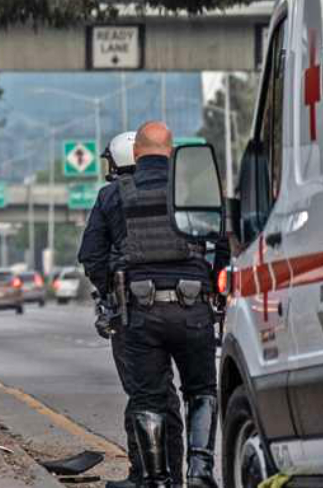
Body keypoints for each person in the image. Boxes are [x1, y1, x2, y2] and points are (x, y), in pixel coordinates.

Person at [77, 122, 218, 488]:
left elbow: (91, 256)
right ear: (171, 151)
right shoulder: (193, 190)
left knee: (148, 399)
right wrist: (213, 289)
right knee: (200, 391)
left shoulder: (112, 195)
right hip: (194, 310)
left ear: (136, 153)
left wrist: (115, 291)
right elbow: (222, 243)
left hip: (140, 313)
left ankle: (155, 479)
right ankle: (200, 473)